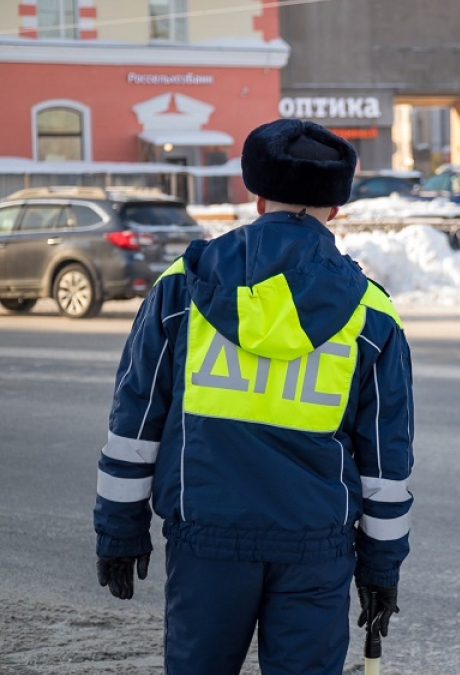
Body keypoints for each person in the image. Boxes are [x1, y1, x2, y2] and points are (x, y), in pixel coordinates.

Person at [93, 118, 415, 675]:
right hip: (317, 548)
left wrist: (120, 526)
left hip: (205, 540)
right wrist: (381, 567)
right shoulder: (372, 314)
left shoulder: (182, 286)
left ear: (256, 194)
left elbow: (135, 420)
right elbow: (386, 460)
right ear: (336, 208)